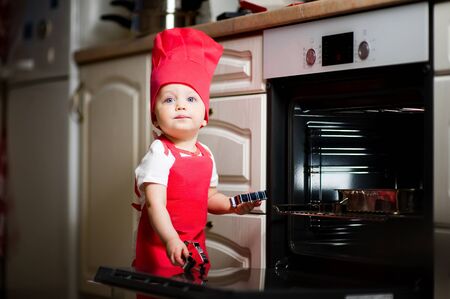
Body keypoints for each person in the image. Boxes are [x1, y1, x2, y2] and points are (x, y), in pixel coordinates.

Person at [132, 27, 261, 278]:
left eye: (191, 99)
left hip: (194, 245)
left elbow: (209, 198)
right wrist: (170, 240)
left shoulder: (206, 154)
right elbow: (155, 205)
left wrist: (234, 205)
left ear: (204, 116)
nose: (180, 104)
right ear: (155, 119)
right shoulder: (159, 154)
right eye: (168, 100)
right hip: (160, 247)